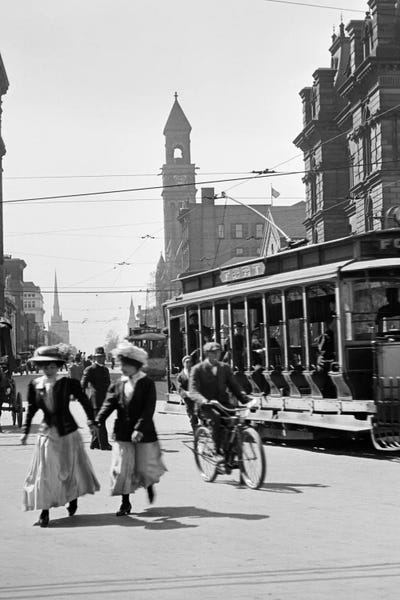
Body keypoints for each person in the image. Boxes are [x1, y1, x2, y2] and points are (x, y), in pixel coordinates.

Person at [20, 345, 100, 528]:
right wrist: (25, 432)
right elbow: (32, 409)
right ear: (41, 368)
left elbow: (84, 401)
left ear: (58, 367)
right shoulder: (35, 385)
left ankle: (72, 497)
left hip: (68, 433)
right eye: (45, 367)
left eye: (52, 367)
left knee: (68, 470)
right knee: (46, 473)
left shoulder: (68, 384)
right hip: (47, 433)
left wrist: (92, 421)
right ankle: (44, 511)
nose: (49, 371)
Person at [96, 342, 166, 517]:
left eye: (126, 365)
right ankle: (125, 502)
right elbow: (108, 404)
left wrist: (140, 428)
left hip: (144, 432)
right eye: (121, 365)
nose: (122, 369)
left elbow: (148, 409)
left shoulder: (147, 383)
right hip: (123, 432)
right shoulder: (118, 384)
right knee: (123, 469)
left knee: (143, 467)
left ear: (136, 365)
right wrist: (98, 420)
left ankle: (149, 485)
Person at [189, 342, 248, 462]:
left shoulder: (224, 368)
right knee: (216, 419)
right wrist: (204, 400)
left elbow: (234, 385)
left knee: (236, 420)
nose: (217, 355)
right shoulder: (197, 369)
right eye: (213, 352)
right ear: (207, 354)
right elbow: (193, 391)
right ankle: (217, 451)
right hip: (206, 407)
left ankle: (233, 451)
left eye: (218, 352)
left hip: (223, 404)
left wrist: (245, 399)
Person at [81, 346, 112, 451]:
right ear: (94, 358)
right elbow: (83, 384)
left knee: (98, 421)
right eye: (98, 357)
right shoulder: (89, 369)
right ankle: (104, 444)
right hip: (94, 399)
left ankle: (94, 443)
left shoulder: (105, 369)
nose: (101, 359)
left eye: (102, 357)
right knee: (101, 421)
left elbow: (108, 385)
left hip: (103, 399)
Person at [176, 355, 198, 432]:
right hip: (188, 398)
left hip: (197, 396)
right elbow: (179, 388)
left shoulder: (195, 373)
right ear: (183, 363)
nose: (189, 363)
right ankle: (195, 431)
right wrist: (186, 393)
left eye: (190, 362)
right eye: (187, 362)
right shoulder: (180, 376)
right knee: (192, 413)